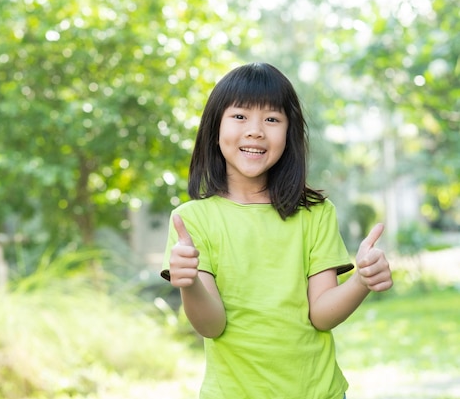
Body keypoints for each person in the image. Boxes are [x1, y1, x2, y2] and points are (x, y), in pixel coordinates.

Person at [161, 62, 393, 399]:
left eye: (272, 119)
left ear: (289, 134)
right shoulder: (192, 220)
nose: (256, 130)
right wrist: (189, 282)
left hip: (317, 391)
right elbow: (212, 326)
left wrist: (362, 281)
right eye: (240, 116)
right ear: (215, 128)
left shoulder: (315, 214)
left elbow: (322, 315)